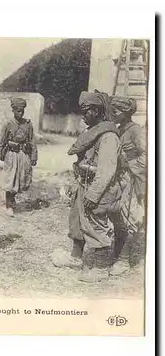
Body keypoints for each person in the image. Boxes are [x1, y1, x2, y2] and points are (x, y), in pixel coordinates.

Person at [52, 91, 127, 283]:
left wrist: (93, 195)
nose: (83, 115)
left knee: (96, 223)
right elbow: (82, 162)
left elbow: (106, 171)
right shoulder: (92, 132)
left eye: (86, 111)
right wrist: (74, 184)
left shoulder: (108, 136)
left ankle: (101, 269)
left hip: (102, 189)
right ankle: (75, 257)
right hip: (85, 183)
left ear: (96, 111)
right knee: (77, 220)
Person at [108, 96, 146, 275]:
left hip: (132, 179)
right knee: (117, 216)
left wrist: (129, 165)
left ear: (125, 112)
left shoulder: (136, 130)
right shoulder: (118, 130)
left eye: (116, 112)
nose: (113, 115)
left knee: (131, 218)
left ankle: (123, 260)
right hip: (119, 179)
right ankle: (116, 254)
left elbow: (147, 155)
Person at [0, 97, 38, 217]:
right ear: (13, 110)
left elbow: (32, 140)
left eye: (22, 110)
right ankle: (9, 205)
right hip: (11, 155)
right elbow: (0, 142)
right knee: (10, 180)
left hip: (23, 155)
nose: (20, 113)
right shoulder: (8, 124)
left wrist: (34, 155)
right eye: (18, 110)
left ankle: (12, 200)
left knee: (20, 179)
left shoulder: (27, 124)